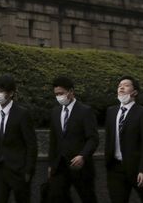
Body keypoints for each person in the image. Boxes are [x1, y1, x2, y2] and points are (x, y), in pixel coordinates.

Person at [103, 76, 143, 203]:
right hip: (115, 168)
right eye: (119, 85)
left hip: (137, 168)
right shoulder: (111, 111)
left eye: (126, 85)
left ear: (135, 92)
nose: (121, 87)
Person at [47, 75, 98, 203]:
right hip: (60, 166)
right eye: (56, 94)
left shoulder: (85, 111)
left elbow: (93, 138)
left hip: (80, 166)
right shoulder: (55, 112)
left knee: (87, 197)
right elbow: (53, 140)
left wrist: (82, 156)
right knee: (56, 196)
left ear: (71, 91)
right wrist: (51, 164)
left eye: (61, 93)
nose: (59, 96)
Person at [0, 75, 37, 203]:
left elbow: (31, 144)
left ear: (11, 93)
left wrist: (28, 171)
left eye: (1, 91)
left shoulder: (22, 114)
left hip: (18, 170)